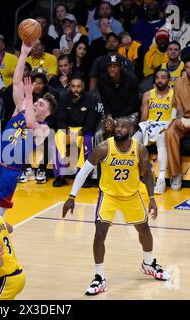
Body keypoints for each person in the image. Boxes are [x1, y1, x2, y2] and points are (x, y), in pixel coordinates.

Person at [62, 117, 170, 296]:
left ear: (131, 129)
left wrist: (151, 198)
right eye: (117, 126)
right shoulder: (104, 148)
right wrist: (71, 196)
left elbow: (148, 174)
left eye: (123, 127)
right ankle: (99, 277)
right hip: (109, 195)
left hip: (131, 195)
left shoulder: (139, 149)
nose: (118, 129)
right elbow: (84, 171)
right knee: (100, 232)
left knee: (144, 230)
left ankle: (148, 263)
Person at [0, 42, 57, 216]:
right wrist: (23, 54)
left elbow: (29, 123)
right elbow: (16, 82)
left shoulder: (44, 129)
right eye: (36, 101)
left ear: (48, 112)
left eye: (41, 104)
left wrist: (29, 96)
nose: (36, 103)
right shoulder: (20, 108)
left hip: (11, 171)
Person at [53, 73, 99, 187]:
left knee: (89, 140)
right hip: (68, 131)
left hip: (83, 131)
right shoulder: (63, 97)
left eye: (78, 86)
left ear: (83, 86)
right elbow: (60, 120)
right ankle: (60, 175)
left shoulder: (91, 99)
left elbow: (91, 122)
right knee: (58, 135)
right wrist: (68, 131)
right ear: (69, 87)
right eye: (73, 86)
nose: (76, 89)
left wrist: (79, 132)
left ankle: (83, 176)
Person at [133, 68, 174, 194]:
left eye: (163, 77)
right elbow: (144, 117)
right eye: (157, 77)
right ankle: (132, 176)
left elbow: (174, 117)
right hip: (150, 126)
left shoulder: (174, 94)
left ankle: (161, 179)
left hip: (165, 126)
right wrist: (143, 127)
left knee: (162, 139)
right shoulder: (148, 94)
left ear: (169, 80)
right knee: (133, 141)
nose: (160, 80)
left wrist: (167, 129)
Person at [165, 56, 190, 191]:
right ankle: (176, 174)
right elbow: (178, 104)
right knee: (170, 132)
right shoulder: (179, 82)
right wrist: (179, 117)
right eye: (187, 67)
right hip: (184, 118)